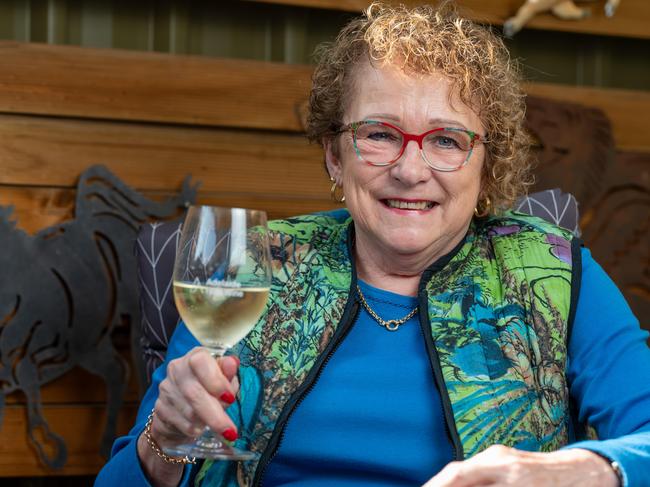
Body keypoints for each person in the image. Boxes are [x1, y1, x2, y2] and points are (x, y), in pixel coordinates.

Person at [96, 2, 650, 486]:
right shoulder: (251, 265)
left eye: (446, 140)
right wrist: (161, 441)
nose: (411, 170)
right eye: (380, 134)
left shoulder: (552, 273)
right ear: (335, 155)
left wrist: (589, 467)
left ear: (485, 164)